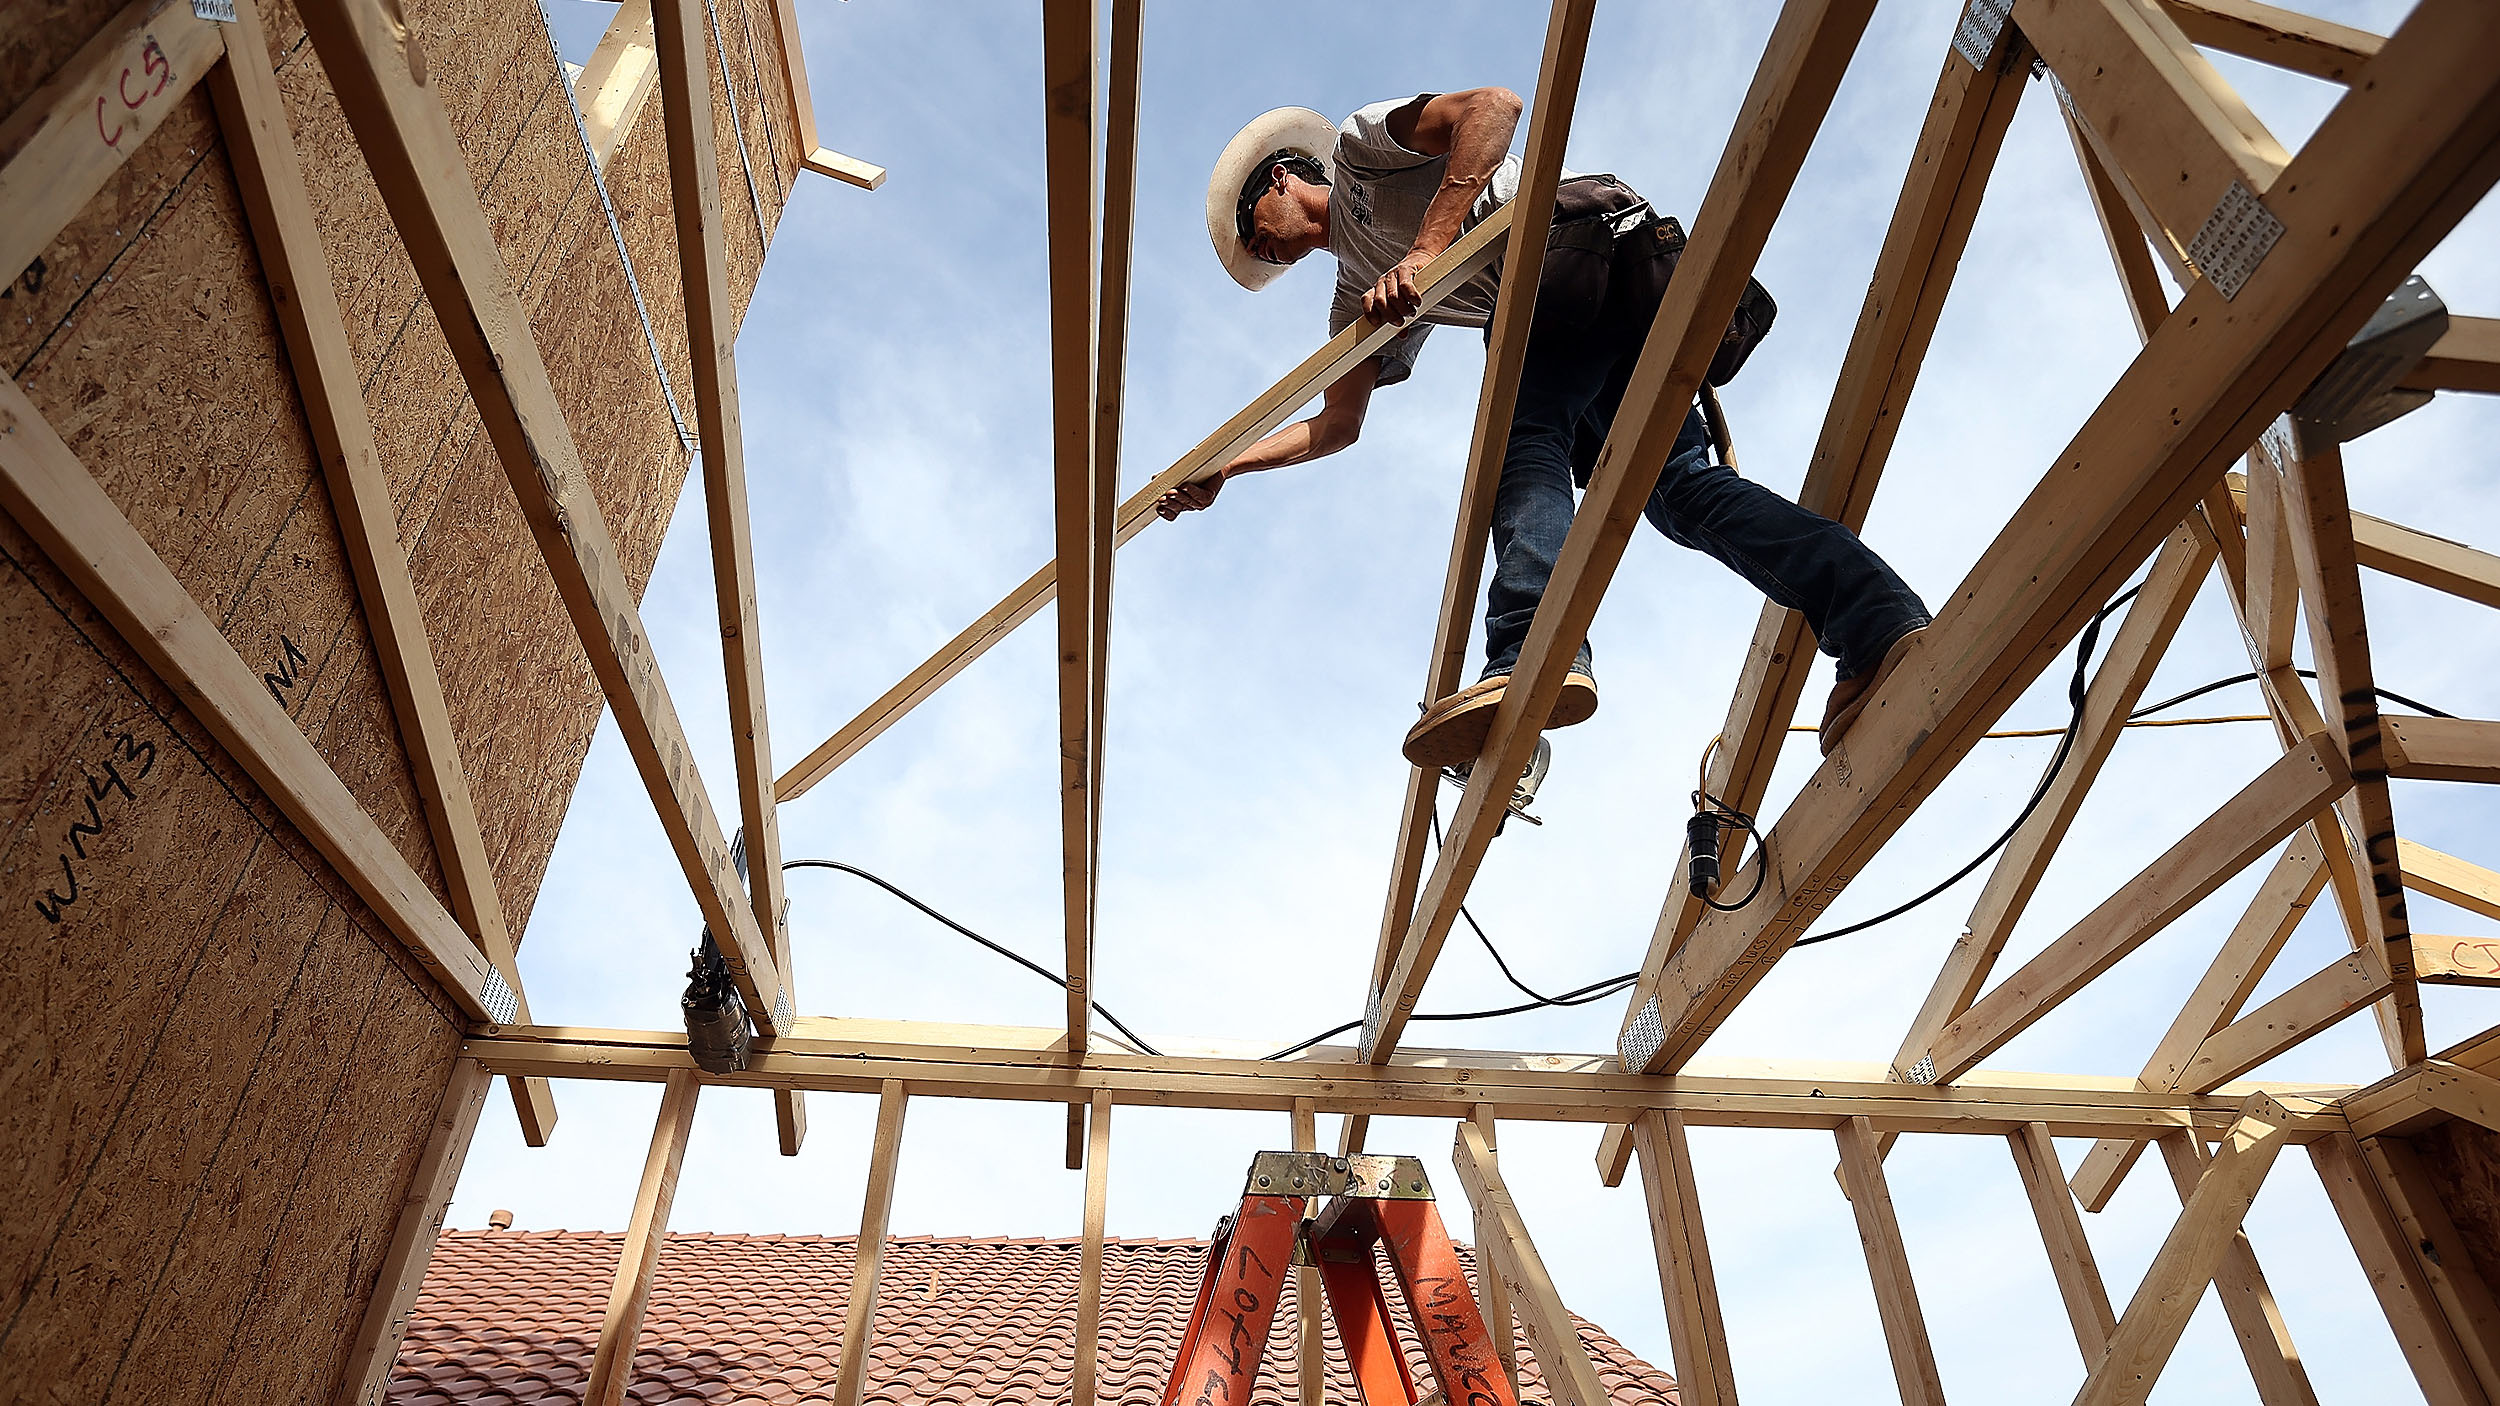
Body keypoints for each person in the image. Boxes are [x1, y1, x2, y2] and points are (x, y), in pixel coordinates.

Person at [1158, 91, 1931, 768]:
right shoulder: (1355, 297)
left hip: (1579, 253)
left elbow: (1493, 107)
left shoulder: (1365, 149)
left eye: (1247, 225)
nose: (1256, 248)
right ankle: (1875, 620)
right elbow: (1338, 423)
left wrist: (1429, 249)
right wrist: (1229, 466)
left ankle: (1531, 645)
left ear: (1285, 177)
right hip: (1584, 321)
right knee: (1684, 495)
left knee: (1523, 442)